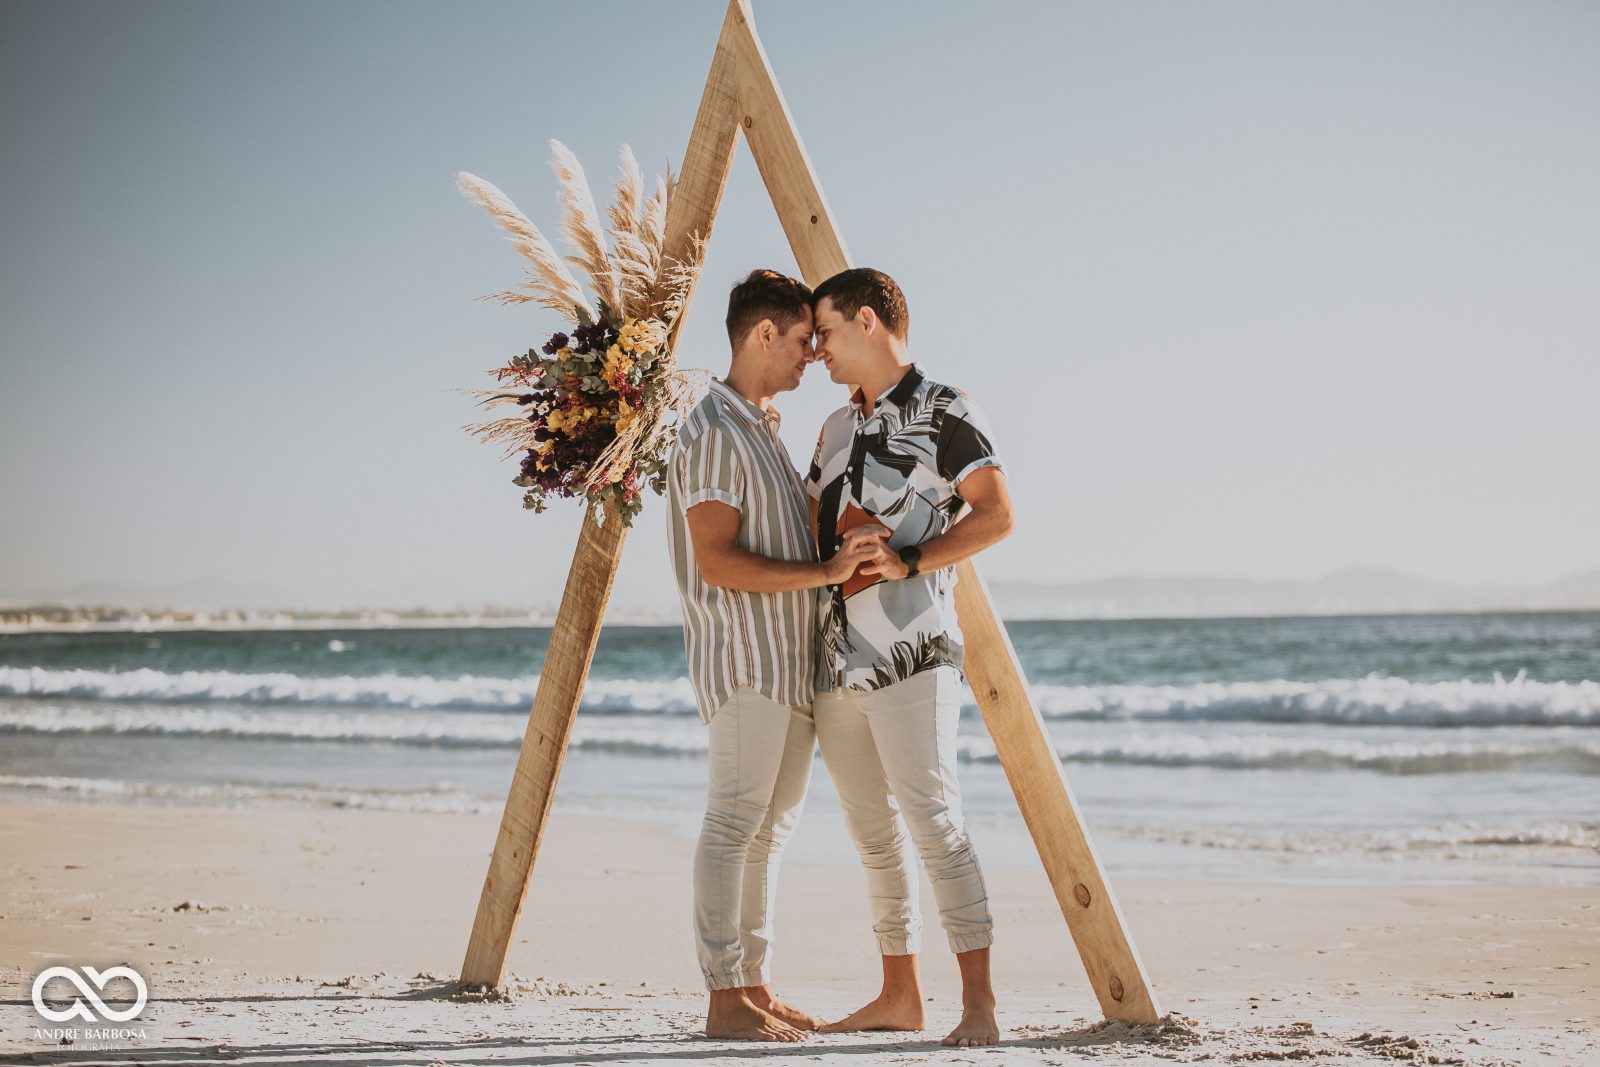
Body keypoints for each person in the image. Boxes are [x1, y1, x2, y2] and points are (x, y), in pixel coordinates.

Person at [664, 268, 888, 1042]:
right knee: (733, 822)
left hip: (788, 668)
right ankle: (725, 998)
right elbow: (718, 560)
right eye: (800, 340)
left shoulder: (760, 429)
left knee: (769, 831)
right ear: (762, 335)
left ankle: (752, 985)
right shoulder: (715, 431)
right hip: (747, 664)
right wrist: (827, 572)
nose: (812, 356)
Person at [804, 267, 1015, 1048]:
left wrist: (912, 559)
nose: (816, 348)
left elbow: (997, 514)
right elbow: (810, 526)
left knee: (935, 823)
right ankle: (899, 994)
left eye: (824, 331)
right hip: (836, 663)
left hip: (913, 653)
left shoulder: (946, 409)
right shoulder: (829, 428)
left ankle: (981, 1004)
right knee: (872, 835)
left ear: (866, 320)